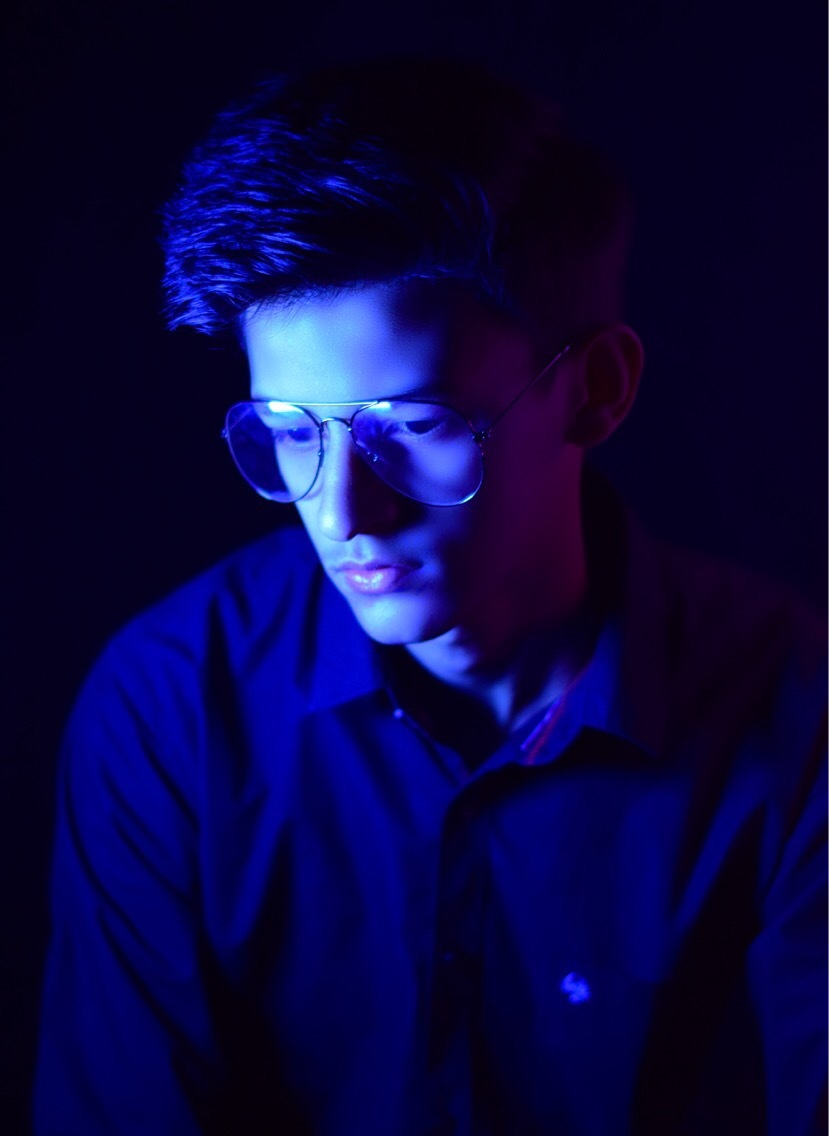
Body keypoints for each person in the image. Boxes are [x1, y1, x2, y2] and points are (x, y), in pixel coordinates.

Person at [34, 58, 826, 1135]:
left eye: (412, 427)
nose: (341, 511)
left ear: (594, 391)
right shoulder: (170, 709)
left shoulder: (797, 714)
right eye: (288, 433)